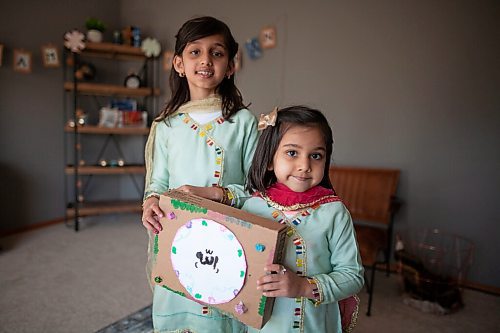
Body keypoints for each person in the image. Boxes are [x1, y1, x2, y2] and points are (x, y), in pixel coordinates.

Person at [141, 16, 259, 332]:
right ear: (179, 63)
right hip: (179, 234)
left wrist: (217, 194)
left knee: (222, 313)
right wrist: (151, 202)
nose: (205, 60)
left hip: (229, 239)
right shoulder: (165, 127)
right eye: (195, 52)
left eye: (216, 53)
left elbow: (258, 192)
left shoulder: (244, 123)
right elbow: (157, 184)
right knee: (180, 302)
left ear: (231, 65)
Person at [243, 106, 364, 332]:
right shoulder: (252, 206)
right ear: (270, 159)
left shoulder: (334, 212)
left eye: (315, 156)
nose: (305, 166)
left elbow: (353, 276)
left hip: (314, 325)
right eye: (292, 153)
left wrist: (303, 286)